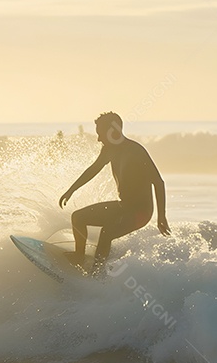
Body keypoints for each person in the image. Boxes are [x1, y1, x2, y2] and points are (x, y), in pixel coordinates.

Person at [59, 112, 170, 275]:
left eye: (100, 134)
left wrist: (161, 216)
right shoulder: (109, 150)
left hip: (141, 212)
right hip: (123, 206)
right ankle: (79, 257)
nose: (98, 139)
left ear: (113, 131)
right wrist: (71, 190)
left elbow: (158, 182)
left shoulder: (136, 151)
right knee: (78, 218)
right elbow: (93, 170)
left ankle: (96, 274)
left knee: (107, 233)